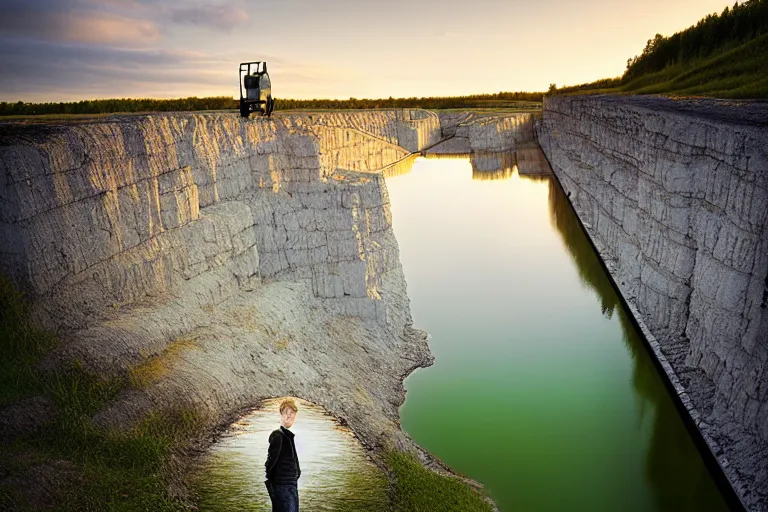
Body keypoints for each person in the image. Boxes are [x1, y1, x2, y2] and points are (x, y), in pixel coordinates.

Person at [264, 398, 301, 512]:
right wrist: (274, 481)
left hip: (291, 485)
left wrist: (296, 474)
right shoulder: (278, 436)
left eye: (292, 413)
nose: (289, 416)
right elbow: (270, 463)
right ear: (281, 414)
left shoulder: (288, 436)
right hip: (282, 486)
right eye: (286, 413)